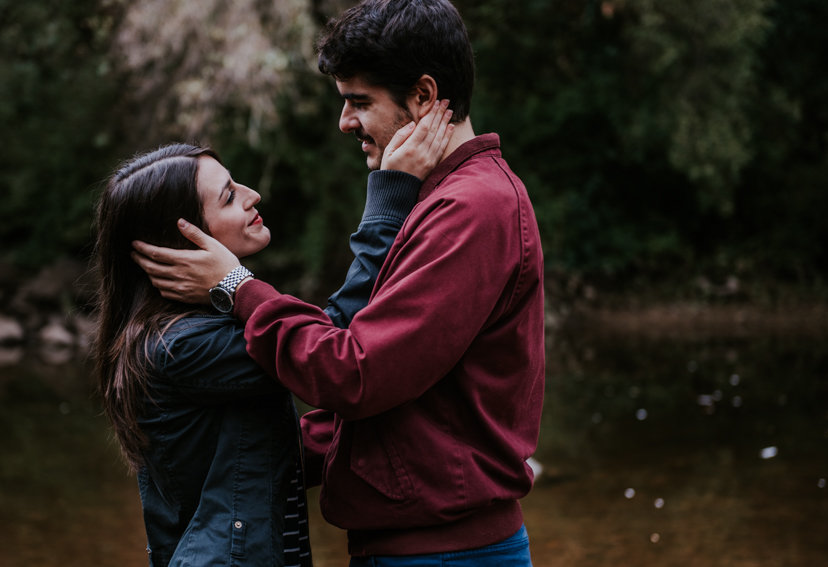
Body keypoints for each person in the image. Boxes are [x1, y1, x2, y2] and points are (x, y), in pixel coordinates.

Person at [131, 0, 545, 565]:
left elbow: (356, 372)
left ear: (424, 97)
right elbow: (393, 395)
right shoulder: (433, 198)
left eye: (359, 102)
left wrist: (237, 287)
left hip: (446, 554)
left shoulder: (471, 208)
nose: (345, 122)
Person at [96, 104, 453, 567]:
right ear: (184, 243)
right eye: (227, 197)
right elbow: (330, 337)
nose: (253, 195)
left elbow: (254, 451)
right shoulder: (177, 346)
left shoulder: (191, 331)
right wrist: (390, 195)